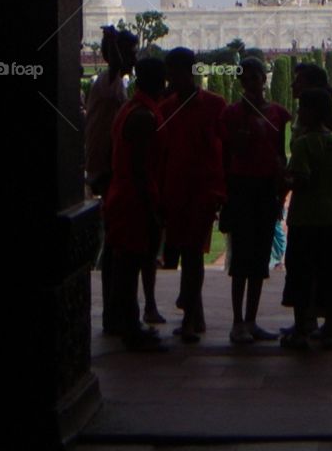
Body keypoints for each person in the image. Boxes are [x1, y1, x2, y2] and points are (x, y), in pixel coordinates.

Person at [219, 56, 291, 343]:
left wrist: (281, 191)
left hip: (264, 189)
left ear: (264, 78)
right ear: (241, 82)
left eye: (255, 77)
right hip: (240, 188)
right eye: (246, 78)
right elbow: (227, 155)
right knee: (240, 261)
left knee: (260, 261)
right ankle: (237, 322)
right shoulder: (232, 114)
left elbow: (279, 154)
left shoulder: (277, 114)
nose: (251, 82)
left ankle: (252, 320)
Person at [158, 48, 226, 341]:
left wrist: (222, 189)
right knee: (184, 252)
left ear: (188, 72)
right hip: (175, 191)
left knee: (194, 254)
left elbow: (224, 149)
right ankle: (194, 315)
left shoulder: (214, 105)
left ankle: (188, 314)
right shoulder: (166, 108)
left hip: (202, 191)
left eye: (174, 73)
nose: (171, 79)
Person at [103, 57, 168, 351]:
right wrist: (152, 207)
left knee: (127, 263)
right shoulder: (142, 115)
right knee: (129, 264)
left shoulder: (133, 108)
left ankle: (125, 323)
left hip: (124, 194)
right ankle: (130, 328)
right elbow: (141, 167)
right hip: (133, 198)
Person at [85, 25, 147, 332]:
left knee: (116, 246)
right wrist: (113, 48)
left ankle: (116, 315)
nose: (135, 57)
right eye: (132, 52)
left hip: (107, 169)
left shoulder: (113, 83)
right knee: (122, 247)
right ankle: (122, 318)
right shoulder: (109, 82)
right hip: (109, 172)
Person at [280, 88, 332, 350]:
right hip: (331, 218)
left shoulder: (303, 144)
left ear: (311, 113)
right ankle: (330, 326)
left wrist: (283, 177)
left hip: (305, 219)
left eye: (302, 109)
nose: (298, 114)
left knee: (301, 274)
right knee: (329, 273)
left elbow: (301, 179)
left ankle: (301, 329)